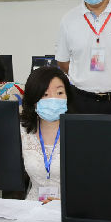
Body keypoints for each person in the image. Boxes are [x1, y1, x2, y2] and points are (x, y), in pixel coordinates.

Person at [19, 66, 73, 202]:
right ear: (33, 100)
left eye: (60, 92)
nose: (53, 99)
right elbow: (4, 174)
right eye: (45, 94)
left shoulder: (80, 132)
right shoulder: (22, 131)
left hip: (70, 207)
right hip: (33, 207)